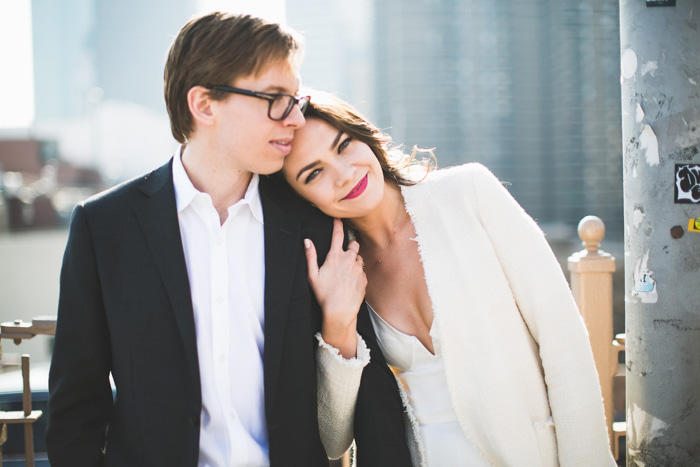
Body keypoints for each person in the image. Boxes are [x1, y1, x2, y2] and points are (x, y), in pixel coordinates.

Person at [46, 12, 358, 466]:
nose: (295, 118)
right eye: (275, 99)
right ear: (205, 105)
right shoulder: (104, 227)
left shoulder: (313, 224)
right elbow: (75, 409)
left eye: (296, 99)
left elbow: (341, 407)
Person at [280, 92, 617, 466]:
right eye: (314, 173)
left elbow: (564, 344)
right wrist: (338, 325)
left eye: (343, 146)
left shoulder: (468, 194)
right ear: (302, 199)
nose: (344, 174)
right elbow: (334, 440)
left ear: (363, 135)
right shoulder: (335, 270)